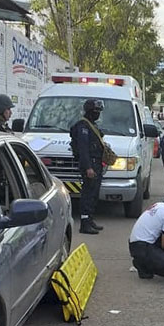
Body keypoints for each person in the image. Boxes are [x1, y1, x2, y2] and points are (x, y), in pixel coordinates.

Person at [71, 99, 107, 234]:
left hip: (96, 163)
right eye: (95, 111)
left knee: (94, 194)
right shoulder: (83, 127)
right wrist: (88, 168)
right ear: (89, 111)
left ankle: (90, 219)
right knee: (87, 194)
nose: (97, 114)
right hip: (90, 164)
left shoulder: (92, 125)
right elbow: (83, 149)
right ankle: (84, 223)